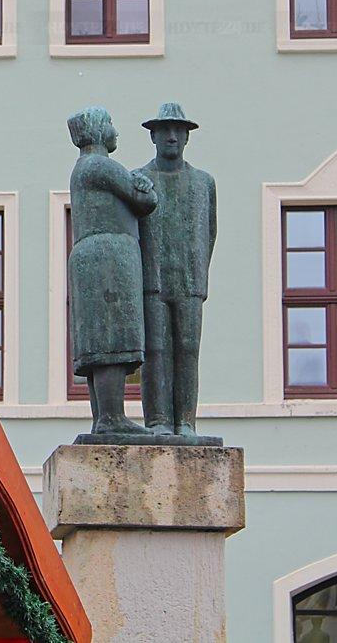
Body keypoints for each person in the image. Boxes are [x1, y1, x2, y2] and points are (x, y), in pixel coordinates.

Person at [67, 107, 158, 438]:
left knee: (100, 341)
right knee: (111, 339)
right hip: (109, 257)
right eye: (109, 124)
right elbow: (143, 200)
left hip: (94, 254)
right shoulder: (99, 164)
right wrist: (145, 184)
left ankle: (104, 417)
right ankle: (112, 417)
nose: (114, 130)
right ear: (95, 131)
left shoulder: (83, 168)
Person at [135, 103, 217, 439]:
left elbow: (209, 232)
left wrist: (198, 275)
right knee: (155, 351)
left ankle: (185, 421)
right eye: (165, 130)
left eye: (178, 130)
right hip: (151, 279)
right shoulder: (139, 179)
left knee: (187, 349)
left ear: (186, 136)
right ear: (153, 135)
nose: (172, 136)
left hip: (189, 280)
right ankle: (157, 421)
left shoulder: (203, 182)